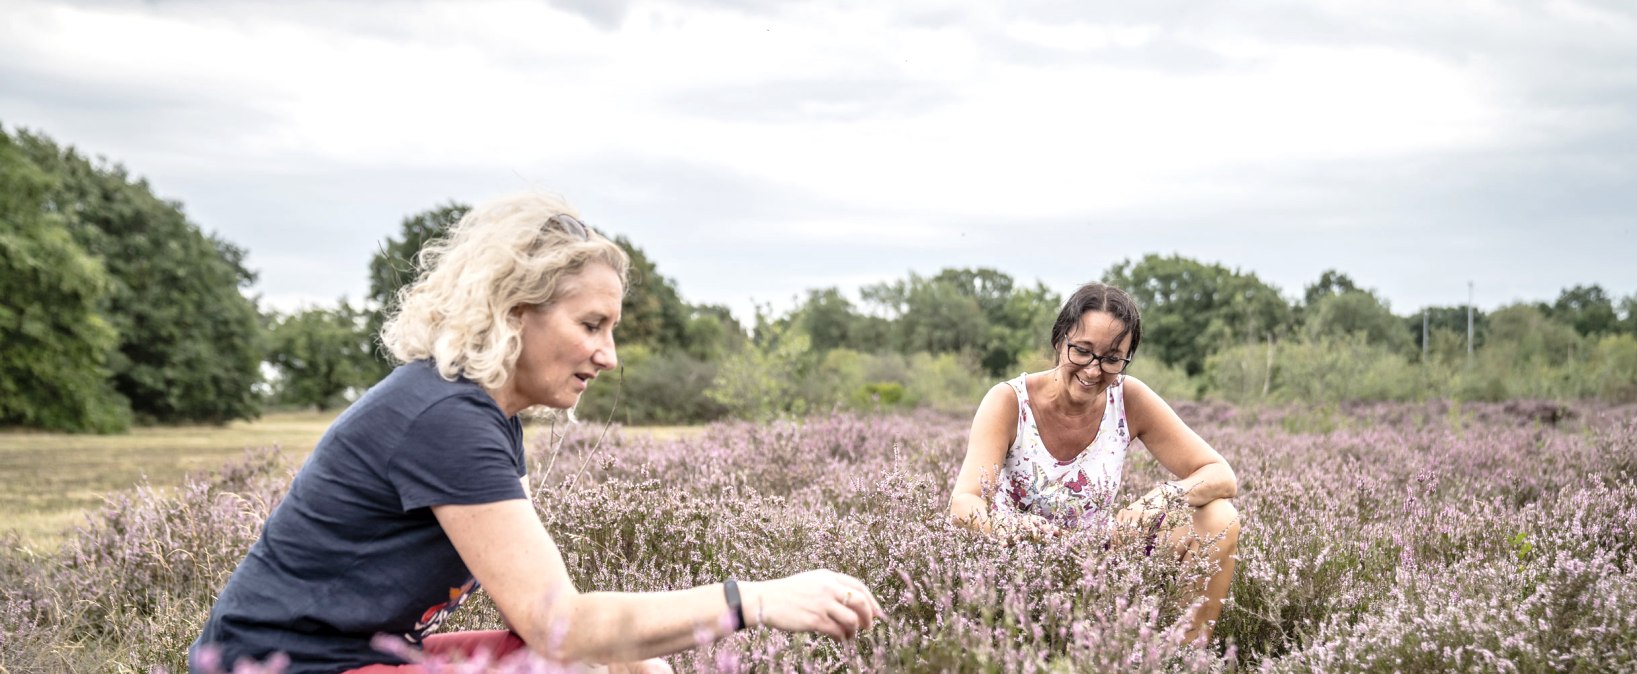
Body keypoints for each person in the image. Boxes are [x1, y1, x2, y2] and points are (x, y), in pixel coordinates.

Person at [191, 193, 884, 674]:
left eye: (611, 329)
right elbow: (560, 623)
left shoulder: (484, 415)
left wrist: (627, 656)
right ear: (515, 313)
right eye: (590, 326)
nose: (608, 355)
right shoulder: (445, 419)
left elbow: (555, 616)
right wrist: (753, 600)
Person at [947, 282, 1240, 643]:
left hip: (1099, 563)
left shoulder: (1127, 398)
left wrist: (1163, 497)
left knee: (1219, 518)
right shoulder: (1009, 401)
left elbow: (1221, 475)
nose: (1094, 370)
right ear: (1059, 341)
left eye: (1112, 359)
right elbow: (963, 504)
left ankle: (1182, 656)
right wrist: (1009, 530)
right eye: (1082, 351)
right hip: (1015, 566)